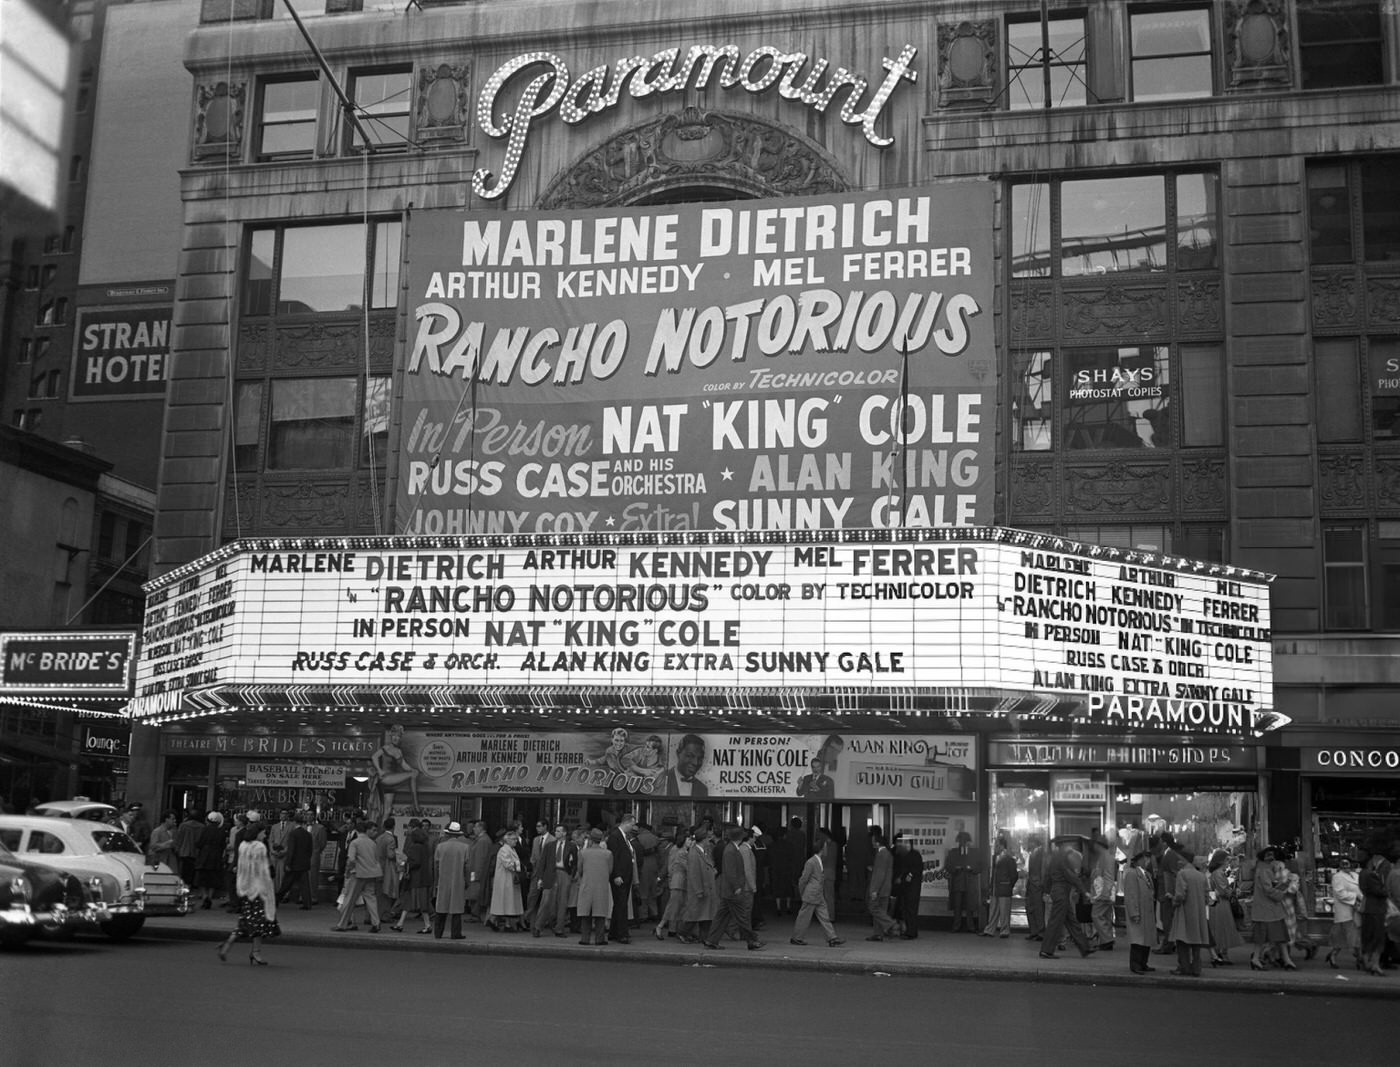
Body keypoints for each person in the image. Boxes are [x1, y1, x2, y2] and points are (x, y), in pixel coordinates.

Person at [217, 823, 278, 966]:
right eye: (263, 833)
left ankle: (227, 944)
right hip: (259, 889)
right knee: (260, 921)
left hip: (245, 887)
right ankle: (255, 952)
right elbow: (264, 870)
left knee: (246, 919)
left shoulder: (243, 846)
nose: (264, 835)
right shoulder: (260, 848)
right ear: (258, 833)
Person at [703, 826, 764, 950]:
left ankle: (711, 940)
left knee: (721, 917)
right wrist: (737, 887)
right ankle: (752, 940)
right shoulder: (731, 851)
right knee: (742, 916)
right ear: (740, 838)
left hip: (728, 891)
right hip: (733, 891)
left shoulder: (732, 849)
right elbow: (731, 872)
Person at [1040, 835, 1094, 960]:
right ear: (1064, 845)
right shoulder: (1062, 858)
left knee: (1071, 921)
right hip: (1062, 892)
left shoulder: (1055, 857)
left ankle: (1085, 948)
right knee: (1055, 923)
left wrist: (1047, 891)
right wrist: (1084, 891)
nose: (1073, 846)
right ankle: (1046, 950)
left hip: (1059, 892)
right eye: (1071, 844)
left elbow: (1047, 876)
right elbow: (1071, 876)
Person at [790, 831, 844, 947]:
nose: (826, 850)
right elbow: (803, 879)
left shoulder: (818, 861)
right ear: (821, 849)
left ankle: (832, 937)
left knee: (824, 917)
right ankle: (797, 937)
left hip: (817, 894)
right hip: (812, 894)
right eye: (825, 848)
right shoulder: (811, 862)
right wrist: (803, 892)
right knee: (804, 917)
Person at [1249, 845, 1296, 971]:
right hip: (1269, 909)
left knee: (1265, 937)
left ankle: (1259, 958)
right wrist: (1283, 890)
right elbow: (1269, 890)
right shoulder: (1265, 871)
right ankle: (1285, 960)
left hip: (1267, 909)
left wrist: (1282, 887)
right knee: (1278, 936)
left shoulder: (1263, 869)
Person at [332, 819, 382, 933]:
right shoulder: (372, 843)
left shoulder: (355, 843)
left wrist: (347, 872)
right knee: (371, 898)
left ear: (357, 831)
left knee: (349, 900)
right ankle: (376, 923)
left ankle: (342, 924)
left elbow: (351, 860)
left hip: (358, 874)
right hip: (371, 874)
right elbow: (376, 859)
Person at [367, 723, 420, 823]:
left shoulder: (399, 751)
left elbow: (404, 765)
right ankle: (415, 805)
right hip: (385, 778)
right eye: (394, 736)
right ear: (391, 736)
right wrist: (379, 770)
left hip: (391, 782)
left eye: (398, 736)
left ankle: (382, 829)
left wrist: (413, 770)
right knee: (412, 775)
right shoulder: (386, 748)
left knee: (387, 810)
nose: (396, 738)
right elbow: (374, 757)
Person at [1169, 853, 1210, 976]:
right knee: (1196, 941)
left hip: (1185, 910)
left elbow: (1180, 894)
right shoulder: (1201, 876)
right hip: (1198, 911)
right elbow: (1207, 895)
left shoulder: (1182, 874)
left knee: (1182, 940)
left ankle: (1184, 967)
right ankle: (1197, 967)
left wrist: (1174, 901)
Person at [533, 822, 574, 938]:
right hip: (550, 873)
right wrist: (540, 878)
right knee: (546, 901)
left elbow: (575, 863)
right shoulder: (549, 846)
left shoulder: (571, 846)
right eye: (556, 831)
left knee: (562, 902)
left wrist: (571, 875)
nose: (556, 833)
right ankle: (538, 927)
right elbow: (542, 863)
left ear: (564, 833)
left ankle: (559, 928)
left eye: (559, 831)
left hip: (564, 873)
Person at [431, 821, 471, 939]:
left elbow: (436, 866)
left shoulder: (440, 847)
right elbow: (467, 867)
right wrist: (467, 881)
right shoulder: (465, 847)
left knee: (441, 907)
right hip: (458, 880)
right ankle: (455, 933)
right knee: (457, 908)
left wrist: (436, 880)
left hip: (443, 880)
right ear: (459, 835)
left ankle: (438, 932)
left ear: (448, 834)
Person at [575, 828, 614, 945]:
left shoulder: (583, 853)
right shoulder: (608, 854)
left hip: (587, 885)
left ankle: (585, 938)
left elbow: (579, 869)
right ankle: (599, 938)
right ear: (601, 839)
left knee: (585, 914)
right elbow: (610, 870)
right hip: (601, 886)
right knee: (600, 914)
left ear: (590, 839)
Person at [680, 826, 718, 943]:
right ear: (704, 839)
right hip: (700, 889)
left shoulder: (703, 851)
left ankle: (704, 937)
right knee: (696, 914)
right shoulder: (694, 853)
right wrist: (698, 890)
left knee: (705, 916)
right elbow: (694, 874)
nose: (709, 841)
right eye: (708, 838)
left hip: (706, 888)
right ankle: (683, 932)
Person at [1357, 842, 1390, 976]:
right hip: (1376, 907)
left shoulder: (1362, 874)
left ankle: (1366, 960)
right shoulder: (1370, 875)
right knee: (1377, 936)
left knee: (1368, 935)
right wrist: (1386, 889)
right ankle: (1375, 964)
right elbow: (1380, 891)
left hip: (1367, 907)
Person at [394, 825, 434, 933]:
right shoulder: (426, 847)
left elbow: (414, 862)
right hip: (424, 877)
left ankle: (426, 925)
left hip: (415, 878)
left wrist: (404, 862)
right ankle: (401, 923)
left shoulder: (414, 847)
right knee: (420, 902)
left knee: (412, 900)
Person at [1206, 850, 1243, 965]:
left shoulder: (1217, 873)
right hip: (1221, 904)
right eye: (1227, 860)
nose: (1229, 862)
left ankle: (1218, 953)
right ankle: (1219, 954)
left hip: (1219, 903)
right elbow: (1224, 891)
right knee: (1222, 927)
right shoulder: (1219, 873)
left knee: (1220, 928)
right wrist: (1233, 892)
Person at [1123, 849, 1157, 975]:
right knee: (1138, 940)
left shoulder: (1146, 874)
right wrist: (1134, 913)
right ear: (1139, 860)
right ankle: (1135, 964)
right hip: (1139, 912)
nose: (1147, 861)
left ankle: (1143, 963)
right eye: (1145, 858)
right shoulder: (1132, 874)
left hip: (1147, 912)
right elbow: (1131, 895)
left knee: (1146, 940)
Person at [606, 813, 638, 944]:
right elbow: (614, 857)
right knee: (621, 905)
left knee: (619, 904)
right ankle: (622, 934)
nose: (633, 827)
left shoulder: (625, 837)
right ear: (626, 823)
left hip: (626, 875)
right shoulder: (615, 837)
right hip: (620, 876)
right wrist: (616, 874)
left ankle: (613, 932)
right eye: (632, 824)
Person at [1325, 855, 1360, 970]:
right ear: (1339, 865)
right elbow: (1340, 894)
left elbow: (1361, 890)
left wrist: (1362, 898)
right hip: (1345, 911)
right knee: (1349, 937)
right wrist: (1355, 897)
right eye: (1343, 864)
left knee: (1350, 936)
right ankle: (1360, 959)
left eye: (1348, 863)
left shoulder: (1356, 875)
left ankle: (1333, 955)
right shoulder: (1337, 877)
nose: (1346, 866)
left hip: (1357, 910)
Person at [656, 830, 690, 939]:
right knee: (673, 907)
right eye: (689, 839)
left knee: (678, 907)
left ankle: (675, 929)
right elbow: (672, 866)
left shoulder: (679, 850)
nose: (691, 841)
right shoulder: (681, 852)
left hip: (679, 881)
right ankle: (660, 926)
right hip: (679, 881)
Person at [489, 828, 525, 931]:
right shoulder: (504, 850)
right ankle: (500, 922)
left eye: (516, 839)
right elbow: (508, 864)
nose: (516, 841)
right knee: (505, 903)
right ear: (507, 840)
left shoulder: (511, 849)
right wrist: (519, 867)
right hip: (505, 880)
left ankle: (504, 923)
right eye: (513, 839)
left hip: (510, 880)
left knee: (507, 904)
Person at [864, 828, 897, 942]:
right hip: (886, 887)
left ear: (877, 842)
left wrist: (874, 890)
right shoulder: (888, 854)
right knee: (881, 910)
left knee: (873, 908)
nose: (872, 842)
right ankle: (878, 934)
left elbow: (879, 874)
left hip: (880, 888)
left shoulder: (881, 854)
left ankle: (890, 924)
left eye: (873, 840)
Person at [981, 835, 1016, 938]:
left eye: (997, 844)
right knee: (993, 910)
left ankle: (1004, 931)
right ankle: (990, 930)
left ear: (1001, 846)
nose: (995, 846)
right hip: (995, 888)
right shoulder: (994, 857)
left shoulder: (1009, 858)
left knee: (1004, 911)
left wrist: (1009, 885)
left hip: (1004, 888)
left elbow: (1013, 875)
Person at [281, 812, 316, 910]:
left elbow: (291, 850)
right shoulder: (308, 834)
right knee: (305, 884)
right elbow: (310, 849)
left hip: (294, 863)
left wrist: (288, 863)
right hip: (304, 863)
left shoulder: (293, 834)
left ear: (294, 822)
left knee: (286, 883)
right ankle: (307, 903)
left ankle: (276, 899)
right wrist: (307, 859)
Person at [946, 830, 979, 932]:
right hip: (958, 882)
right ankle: (957, 926)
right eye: (961, 840)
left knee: (969, 906)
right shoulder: (953, 852)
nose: (963, 843)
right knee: (957, 906)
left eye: (965, 841)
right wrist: (955, 869)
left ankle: (970, 926)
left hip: (968, 882)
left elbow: (979, 866)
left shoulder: (973, 853)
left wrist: (972, 869)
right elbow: (948, 866)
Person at [892, 833, 923, 938]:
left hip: (912, 888)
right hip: (906, 888)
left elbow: (913, 872)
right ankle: (909, 930)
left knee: (911, 910)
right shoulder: (905, 855)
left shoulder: (914, 855)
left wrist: (904, 880)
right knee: (906, 910)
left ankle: (911, 932)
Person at [194, 811, 227, 909]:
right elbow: (223, 845)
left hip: (205, 857)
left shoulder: (205, 830)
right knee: (213, 878)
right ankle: (210, 897)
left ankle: (205, 897)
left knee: (203, 879)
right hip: (216, 857)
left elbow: (199, 843)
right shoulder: (221, 831)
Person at [466, 820, 492, 923]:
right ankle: (474, 913)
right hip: (474, 871)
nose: (473, 829)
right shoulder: (480, 839)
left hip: (477, 872)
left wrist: (475, 874)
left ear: (481, 828)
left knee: (475, 893)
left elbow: (480, 859)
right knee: (474, 892)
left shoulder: (483, 841)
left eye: (476, 827)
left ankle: (475, 914)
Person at [1023, 834, 1046, 942]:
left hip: (1036, 884)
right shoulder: (1033, 853)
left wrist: (1041, 882)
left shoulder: (1040, 853)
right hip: (1032, 883)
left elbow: (1042, 868)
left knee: (1037, 908)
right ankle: (1034, 931)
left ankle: (1039, 931)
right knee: (1030, 907)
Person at [174, 808, 203, 887]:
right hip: (196, 852)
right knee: (193, 871)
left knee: (183, 871)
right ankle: (191, 886)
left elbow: (179, 838)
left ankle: (184, 886)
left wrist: (177, 848)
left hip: (184, 851)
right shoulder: (202, 827)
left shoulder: (183, 825)